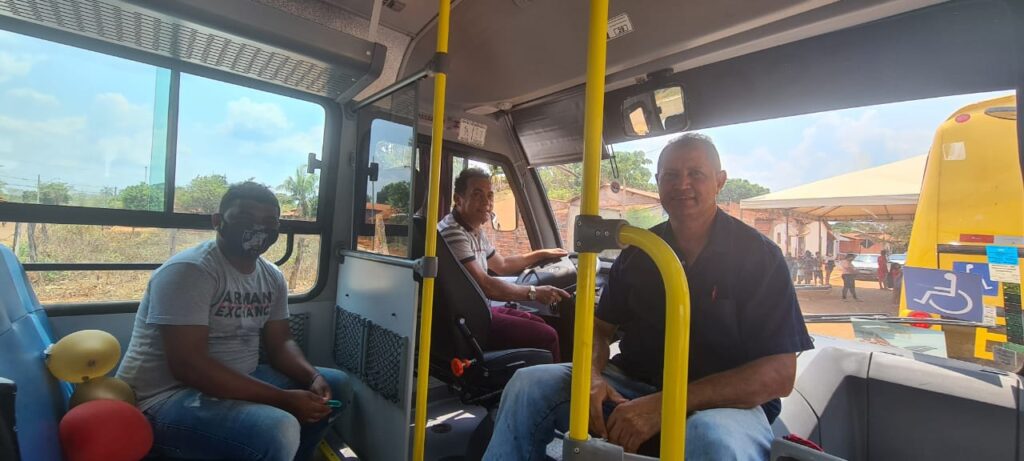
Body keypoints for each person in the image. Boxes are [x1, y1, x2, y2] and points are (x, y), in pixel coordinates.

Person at [483, 133, 813, 460]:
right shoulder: (639, 251)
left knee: (712, 439)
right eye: (671, 175)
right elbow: (600, 328)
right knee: (528, 384)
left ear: (720, 181)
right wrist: (592, 375)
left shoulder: (759, 257)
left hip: (723, 403)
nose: (682, 184)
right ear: (658, 182)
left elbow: (779, 374)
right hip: (632, 382)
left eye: (695, 173)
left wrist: (664, 406)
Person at [117, 182, 350, 461]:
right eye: (245, 218)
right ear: (218, 221)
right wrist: (284, 399)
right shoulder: (191, 271)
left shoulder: (272, 275)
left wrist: (312, 377)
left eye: (269, 222)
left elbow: (281, 342)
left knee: (336, 385)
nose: (258, 228)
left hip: (240, 379)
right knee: (278, 428)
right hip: (167, 398)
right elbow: (189, 366)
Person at [439, 168, 570, 361]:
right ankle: (553, 380)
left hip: (477, 310)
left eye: (489, 195)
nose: (486, 202)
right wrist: (534, 293)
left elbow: (502, 264)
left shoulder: (474, 229)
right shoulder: (452, 232)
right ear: (458, 200)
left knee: (536, 320)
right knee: (548, 336)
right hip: (470, 320)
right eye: (477, 194)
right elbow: (486, 285)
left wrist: (541, 254)